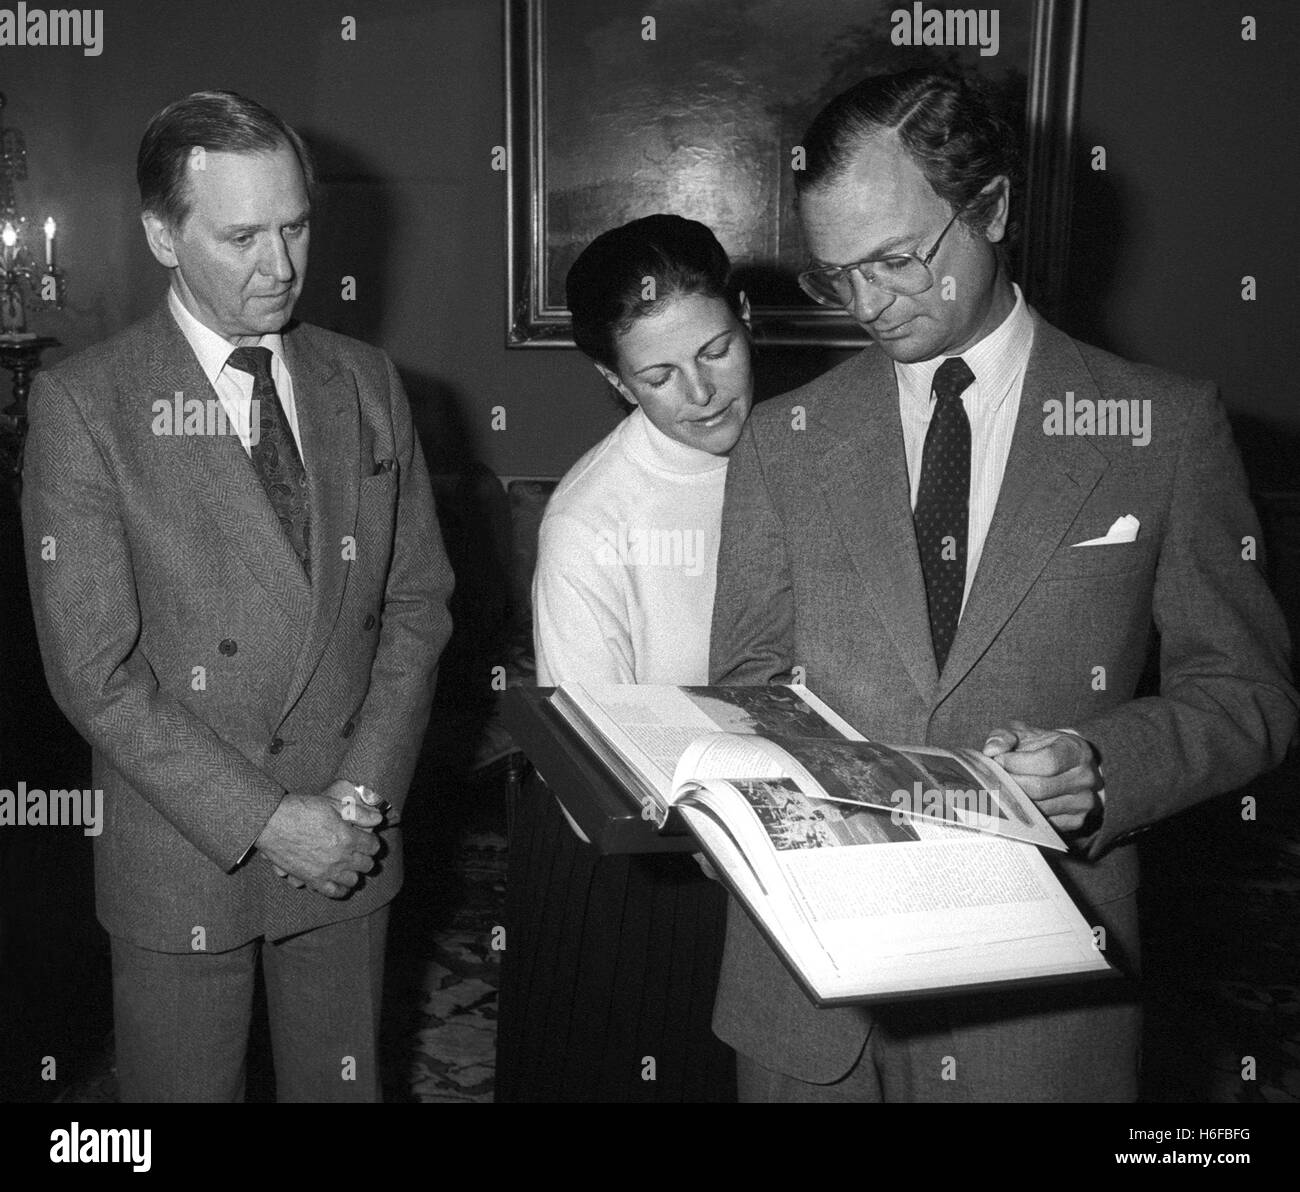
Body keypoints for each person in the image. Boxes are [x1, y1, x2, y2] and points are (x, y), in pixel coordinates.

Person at [709, 68, 1297, 1102]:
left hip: (1036, 1022)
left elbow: (1247, 697)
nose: (867, 304)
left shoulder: (1160, 430)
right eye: (834, 274)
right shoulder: (780, 440)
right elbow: (748, 684)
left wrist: (1100, 767)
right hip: (807, 1012)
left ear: (991, 209)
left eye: (895, 259)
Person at [21, 90, 454, 1102]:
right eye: (242, 235)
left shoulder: (366, 381)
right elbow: (94, 673)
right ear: (161, 236)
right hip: (185, 848)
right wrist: (269, 817)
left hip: (350, 831)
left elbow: (417, 604)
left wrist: (356, 794)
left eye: (297, 225)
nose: (282, 266)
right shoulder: (87, 404)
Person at [496, 214, 750, 1101]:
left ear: (744, 316)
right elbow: (596, 761)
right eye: (658, 375)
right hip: (639, 852)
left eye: (717, 349)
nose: (703, 391)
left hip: (771, 831)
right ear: (614, 379)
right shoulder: (591, 517)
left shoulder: (804, 451)